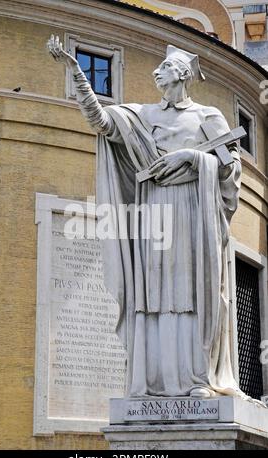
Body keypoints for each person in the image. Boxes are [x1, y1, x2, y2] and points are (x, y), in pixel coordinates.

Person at [47, 35, 244, 399]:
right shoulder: (143, 115)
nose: (157, 71)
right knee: (154, 292)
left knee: (190, 289)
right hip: (153, 207)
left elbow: (228, 169)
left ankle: (197, 379)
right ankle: (153, 381)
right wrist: (76, 72)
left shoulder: (207, 116)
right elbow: (102, 122)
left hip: (191, 209)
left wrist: (189, 158)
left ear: (182, 74)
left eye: (166, 66)